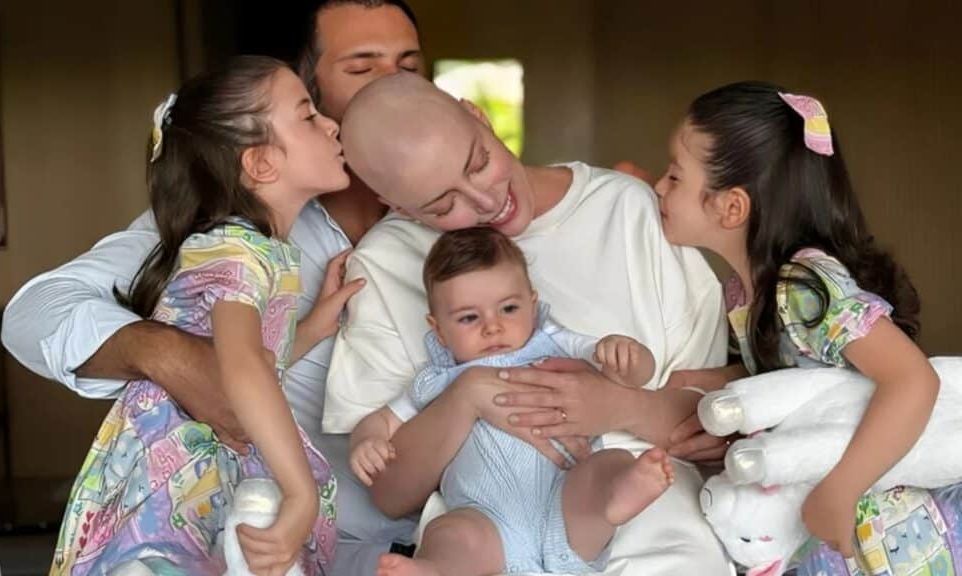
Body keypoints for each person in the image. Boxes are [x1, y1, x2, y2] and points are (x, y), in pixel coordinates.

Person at [2, 2, 424, 573]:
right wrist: (162, 352)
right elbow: (34, 313)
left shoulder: (458, 208)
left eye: (409, 66)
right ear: (311, 90)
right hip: (206, 498)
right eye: (362, 68)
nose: (392, 86)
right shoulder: (223, 237)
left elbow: (263, 355)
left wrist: (313, 325)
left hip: (401, 534)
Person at [325, 72, 736, 573]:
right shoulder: (385, 264)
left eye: (479, 163)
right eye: (443, 204)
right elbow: (388, 493)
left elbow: (716, 420)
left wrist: (616, 405)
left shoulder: (626, 210)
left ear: (478, 116)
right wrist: (468, 394)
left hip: (649, 526)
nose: (486, 201)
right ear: (398, 207)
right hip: (486, 536)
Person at [49, 56, 356, 576]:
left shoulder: (260, 248)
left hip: (207, 466)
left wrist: (312, 327)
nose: (331, 124)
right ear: (260, 164)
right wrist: (300, 491)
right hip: (177, 471)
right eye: (308, 116)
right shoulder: (235, 248)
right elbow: (241, 365)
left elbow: (254, 358)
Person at [653, 81, 943, 571]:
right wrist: (710, 381)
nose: (660, 187)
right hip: (817, 532)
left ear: (731, 207)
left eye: (675, 176)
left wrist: (843, 488)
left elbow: (913, 380)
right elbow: (803, 374)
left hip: (882, 534)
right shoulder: (746, 292)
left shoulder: (804, 285)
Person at [351, 227, 672, 574]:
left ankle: (616, 496)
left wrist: (629, 356)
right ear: (439, 329)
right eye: (469, 317)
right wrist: (367, 441)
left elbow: (632, 376)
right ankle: (434, 569)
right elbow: (383, 420)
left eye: (508, 308)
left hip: (565, 500)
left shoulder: (556, 344)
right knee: (449, 532)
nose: (493, 327)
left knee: (609, 463)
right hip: (484, 518)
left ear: (532, 305)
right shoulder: (437, 381)